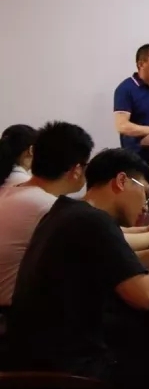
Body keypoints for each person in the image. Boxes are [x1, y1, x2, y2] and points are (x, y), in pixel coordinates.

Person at [7, 148, 149, 381]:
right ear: (121, 181)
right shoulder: (94, 221)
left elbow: (102, 263)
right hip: (70, 370)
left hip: (35, 353)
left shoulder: (66, 210)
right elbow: (143, 294)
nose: (145, 206)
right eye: (145, 193)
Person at [0, 122, 93, 308]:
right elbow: (103, 241)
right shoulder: (49, 207)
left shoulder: (12, 191)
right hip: (17, 313)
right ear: (76, 170)